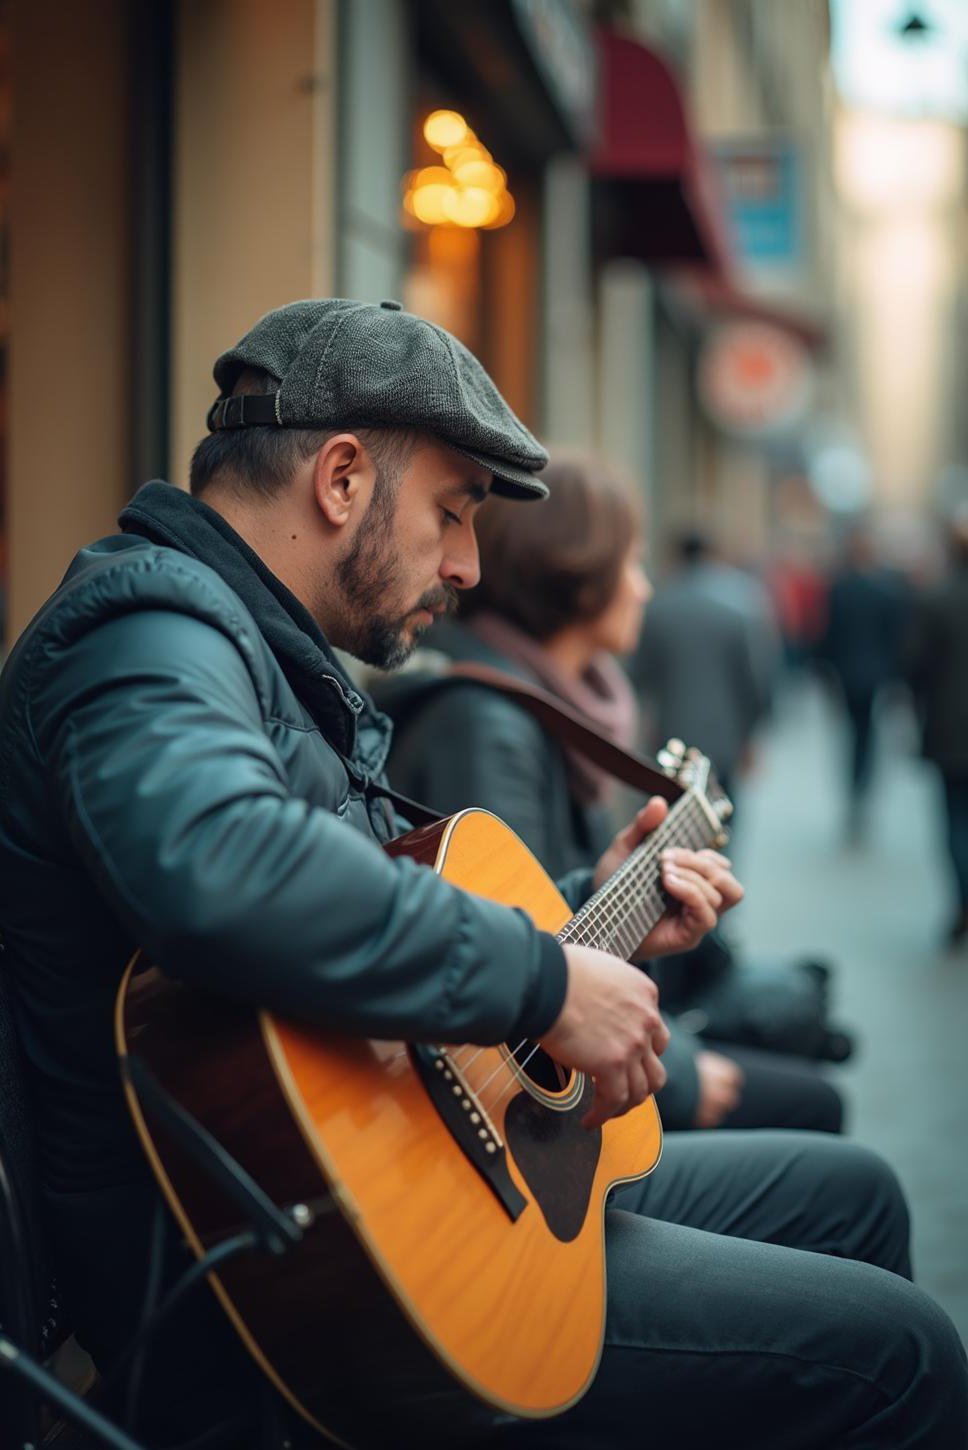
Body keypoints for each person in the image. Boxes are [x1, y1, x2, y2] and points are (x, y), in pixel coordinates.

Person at [0, 300, 963, 1449]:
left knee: (851, 1191)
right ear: (342, 478)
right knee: (901, 1353)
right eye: (451, 512)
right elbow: (219, 861)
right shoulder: (145, 628)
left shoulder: (257, 649)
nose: (465, 563)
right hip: (278, 1289)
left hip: (385, 1190)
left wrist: (581, 912)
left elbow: (332, 919)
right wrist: (545, 985)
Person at [380, 452, 844, 1134]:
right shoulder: (484, 723)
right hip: (512, 1107)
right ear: (574, 573)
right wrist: (681, 1075)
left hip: (566, 1052)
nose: (645, 588)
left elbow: (549, 933)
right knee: (821, 1121)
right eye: (631, 562)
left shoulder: (546, 701)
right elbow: (521, 966)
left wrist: (626, 899)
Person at [629, 528, 778, 805]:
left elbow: (638, 675)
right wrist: (752, 734)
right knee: (721, 815)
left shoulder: (658, 607)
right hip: (725, 739)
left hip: (671, 737)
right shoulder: (740, 605)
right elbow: (757, 678)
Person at [819, 527, 907, 843]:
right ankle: (862, 788)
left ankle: (855, 789)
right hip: (875, 676)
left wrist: (825, 675)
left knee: (854, 734)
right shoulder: (886, 590)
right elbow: (896, 639)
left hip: (846, 674)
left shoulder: (839, 589)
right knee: (866, 735)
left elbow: (827, 636)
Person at [907, 509, 968, 947]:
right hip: (949, 729)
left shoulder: (936, 598)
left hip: (950, 731)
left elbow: (915, 666)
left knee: (955, 820)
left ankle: (963, 899)